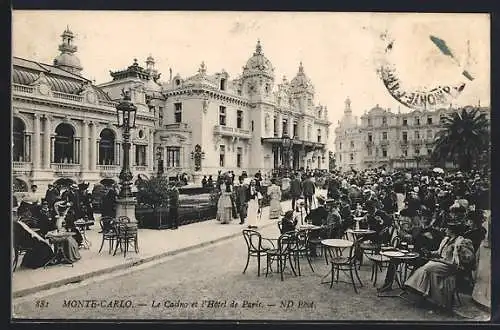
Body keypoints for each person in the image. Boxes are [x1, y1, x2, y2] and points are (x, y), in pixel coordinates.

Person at [404, 222, 476, 309]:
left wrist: (459, 250)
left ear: (452, 231)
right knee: (428, 266)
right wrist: (429, 252)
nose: (445, 230)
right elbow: (439, 253)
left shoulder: (461, 241)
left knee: (428, 267)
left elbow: (466, 259)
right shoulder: (445, 240)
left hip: (451, 266)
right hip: (441, 262)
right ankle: (425, 295)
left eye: (447, 229)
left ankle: (417, 289)